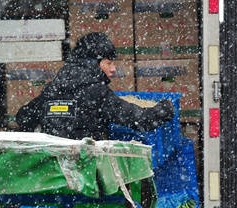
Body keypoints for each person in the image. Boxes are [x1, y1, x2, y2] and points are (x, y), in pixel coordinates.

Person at [16, 31, 175, 140]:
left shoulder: (53, 89)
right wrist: (165, 108)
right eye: (109, 63)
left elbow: (23, 117)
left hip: (55, 173)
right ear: (91, 63)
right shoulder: (96, 93)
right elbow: (141, 120)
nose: (113, 69)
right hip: (85, 173)